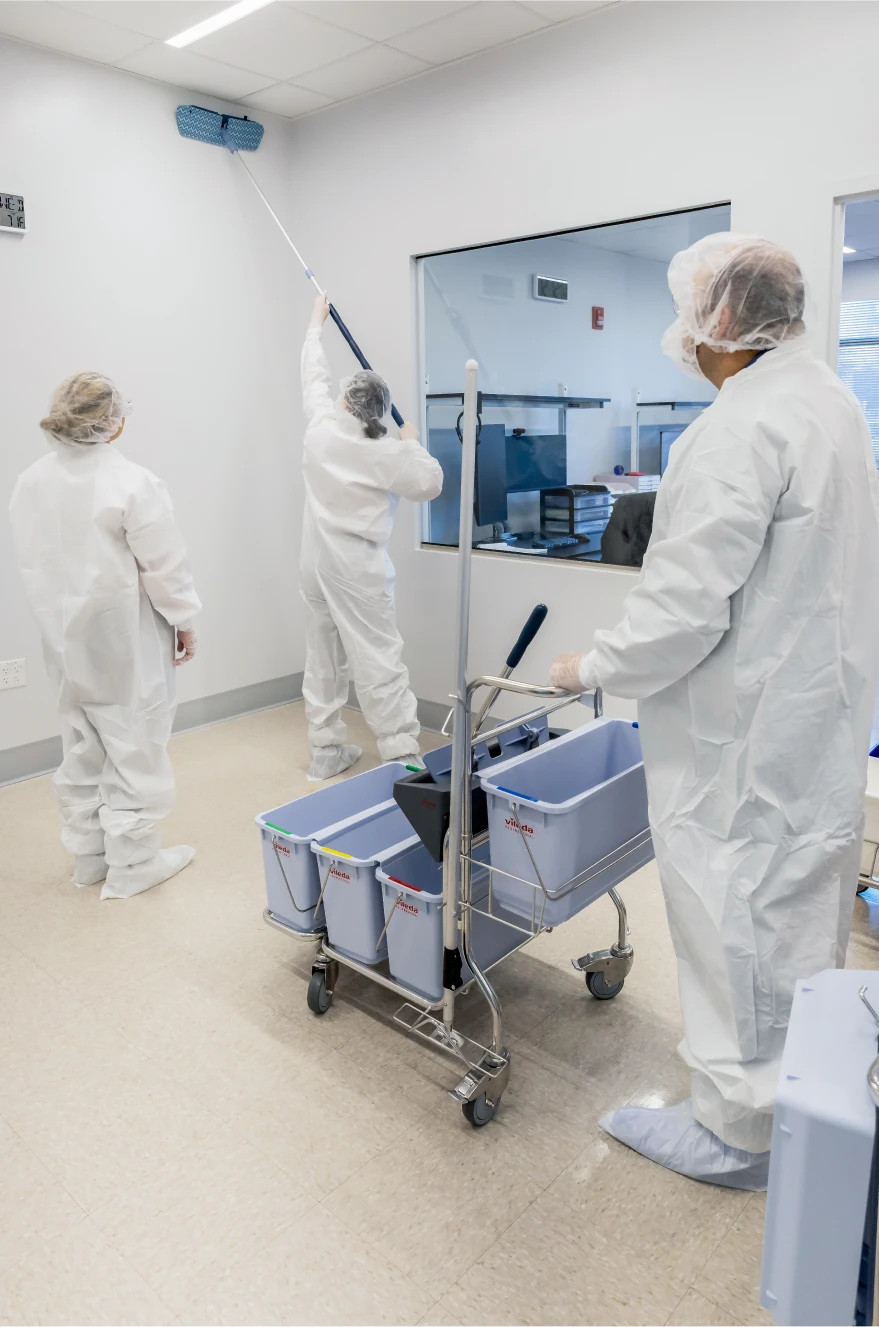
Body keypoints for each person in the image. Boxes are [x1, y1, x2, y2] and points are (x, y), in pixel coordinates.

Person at [550, 234, 879, 1189]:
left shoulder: (737, 428)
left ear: (725, 317)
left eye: (687, 312)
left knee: (732, 907)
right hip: (812, 718)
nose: (680, 337)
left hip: (742, 733)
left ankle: (740, 1131)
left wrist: (590, 666)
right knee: (796, 907)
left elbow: (681, 608)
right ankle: (796, 1092)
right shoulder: (831, 402)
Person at [9, 372, 201, 900]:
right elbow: (165, 566)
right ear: (111, 423)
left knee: (80, 739)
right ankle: (134, 864)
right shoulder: (132, 482)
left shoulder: (30, 481)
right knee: (135, 738)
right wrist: (184, 619)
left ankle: (89, 856)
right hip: (124, 634)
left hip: (62, 636)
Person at [300, 295, 443, 781]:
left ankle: (325, 749)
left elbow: (313, 380)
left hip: (314, 563)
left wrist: (315, 327)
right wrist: (412, 442)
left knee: (323, 654)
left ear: (347, 401)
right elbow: (431, 482)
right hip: (356, 569)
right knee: (378, 657)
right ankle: (402, 757)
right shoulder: (387, 454)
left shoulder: (320, 429)